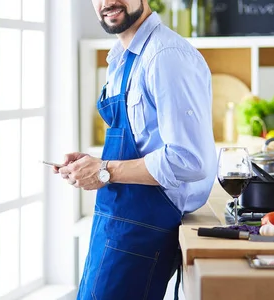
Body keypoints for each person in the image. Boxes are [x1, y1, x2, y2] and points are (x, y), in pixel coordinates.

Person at [53, 0, 216, 299]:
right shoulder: (120, 59)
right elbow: (141, 143)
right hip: (114, 222)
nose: (107, 2)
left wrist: (104, 170)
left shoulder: (166, 56)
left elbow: (190, 159)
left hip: (144, 228)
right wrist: (93, 165)